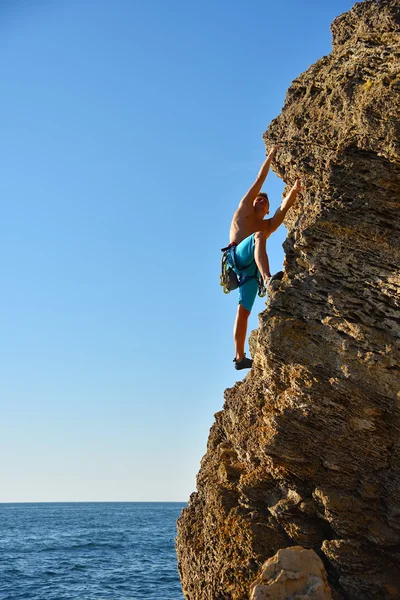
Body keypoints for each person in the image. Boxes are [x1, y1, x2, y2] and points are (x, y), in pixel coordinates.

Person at [225, 146, 302, 370]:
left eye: (264, 202)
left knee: (244, 310)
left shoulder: (268, 224)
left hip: (250, 272)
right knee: (258, 236)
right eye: (258, 200)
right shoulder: (244, 211)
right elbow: (260, 179)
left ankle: (239, 358)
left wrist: (295, 190)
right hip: (237, 256)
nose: (260, 201)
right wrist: (270, 157)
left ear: (267, 210)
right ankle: (268, 278)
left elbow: (284, 209)